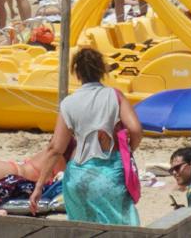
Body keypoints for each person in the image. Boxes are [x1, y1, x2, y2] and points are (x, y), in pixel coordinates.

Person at [31, 48, 144, 225]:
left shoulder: (68, 103)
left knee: (84, 230)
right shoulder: (114, 96)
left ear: (76, 72)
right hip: (110, 173)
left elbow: (55, 148)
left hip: (78, 177)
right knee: (122, 227)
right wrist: (128, 150)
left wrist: (39, 186)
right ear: (101, 70)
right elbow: (136, 129)